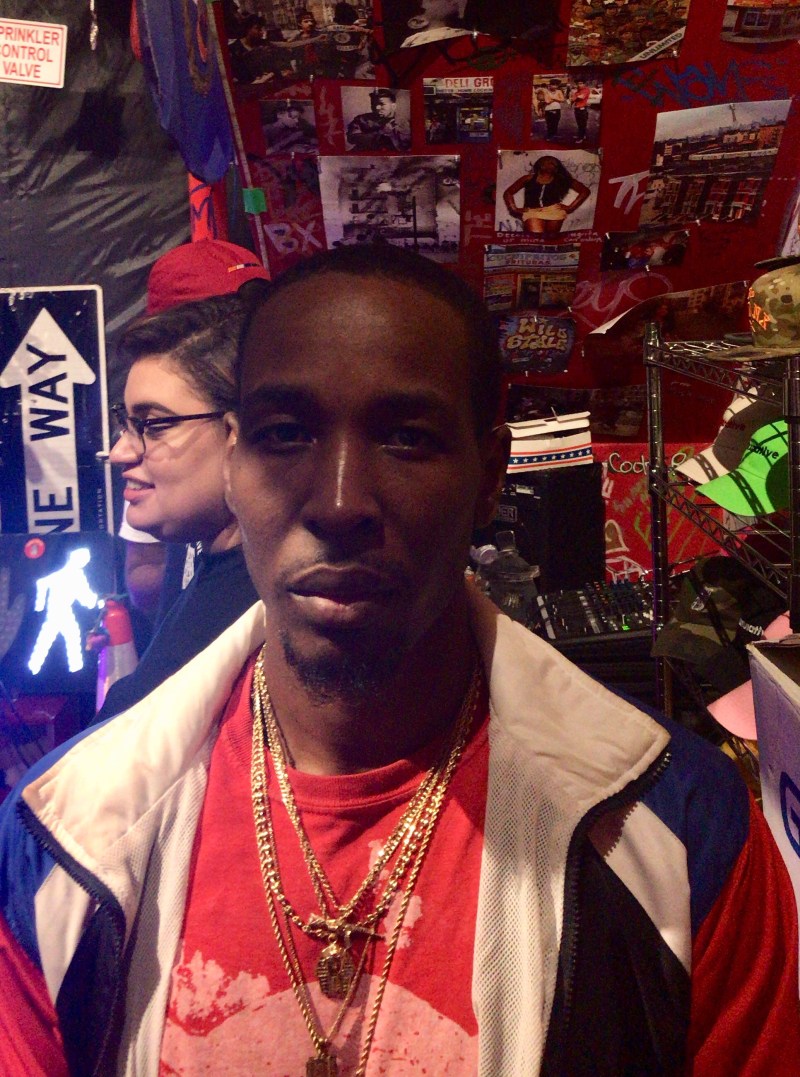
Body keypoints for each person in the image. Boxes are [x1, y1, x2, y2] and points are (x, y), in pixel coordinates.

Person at [1, 246, 799, 1075]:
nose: (340, 501)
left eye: (407, 438)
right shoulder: (65, 837)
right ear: (234, 462)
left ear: (490, 476)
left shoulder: (677, 832)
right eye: (285, 434)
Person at [89, 291, 262, 729]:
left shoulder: (268, 620)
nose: (120, 452)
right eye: (127, 423)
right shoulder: (217, 566)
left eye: (154, 425)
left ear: (239, 433)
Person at [503, 154, 591, 234]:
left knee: (550, 239)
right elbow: (508, 192)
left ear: (556, 167)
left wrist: (571, 207)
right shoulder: (528, 178)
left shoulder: (562, 179)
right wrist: (514, 209)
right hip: (532, 211)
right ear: (539, 165)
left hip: (554, 211)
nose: (548, 164)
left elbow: (585, 191)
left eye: (552, 163)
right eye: (545, 162)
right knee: (537, 237)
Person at [346, 88, 411, 151]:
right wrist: (380, 132)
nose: (377, 107)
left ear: (393, 106)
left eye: (382, 104)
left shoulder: (406, 123)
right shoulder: (362, 119)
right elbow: (351, 138)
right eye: (373, 104)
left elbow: (407, 146)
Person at [571, 77, 591, 144]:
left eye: (581, 83)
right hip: (577, 109)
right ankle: (582, 135)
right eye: (578, 84)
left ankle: (580, 138)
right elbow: (572, 99)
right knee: (579, 124)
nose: (579, 85)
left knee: (582, 124)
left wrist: (574, 98)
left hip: (582, 109)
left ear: (584, 84)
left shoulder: (586, 90)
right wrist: (574, 98)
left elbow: (581, 97)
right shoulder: (577, 92)